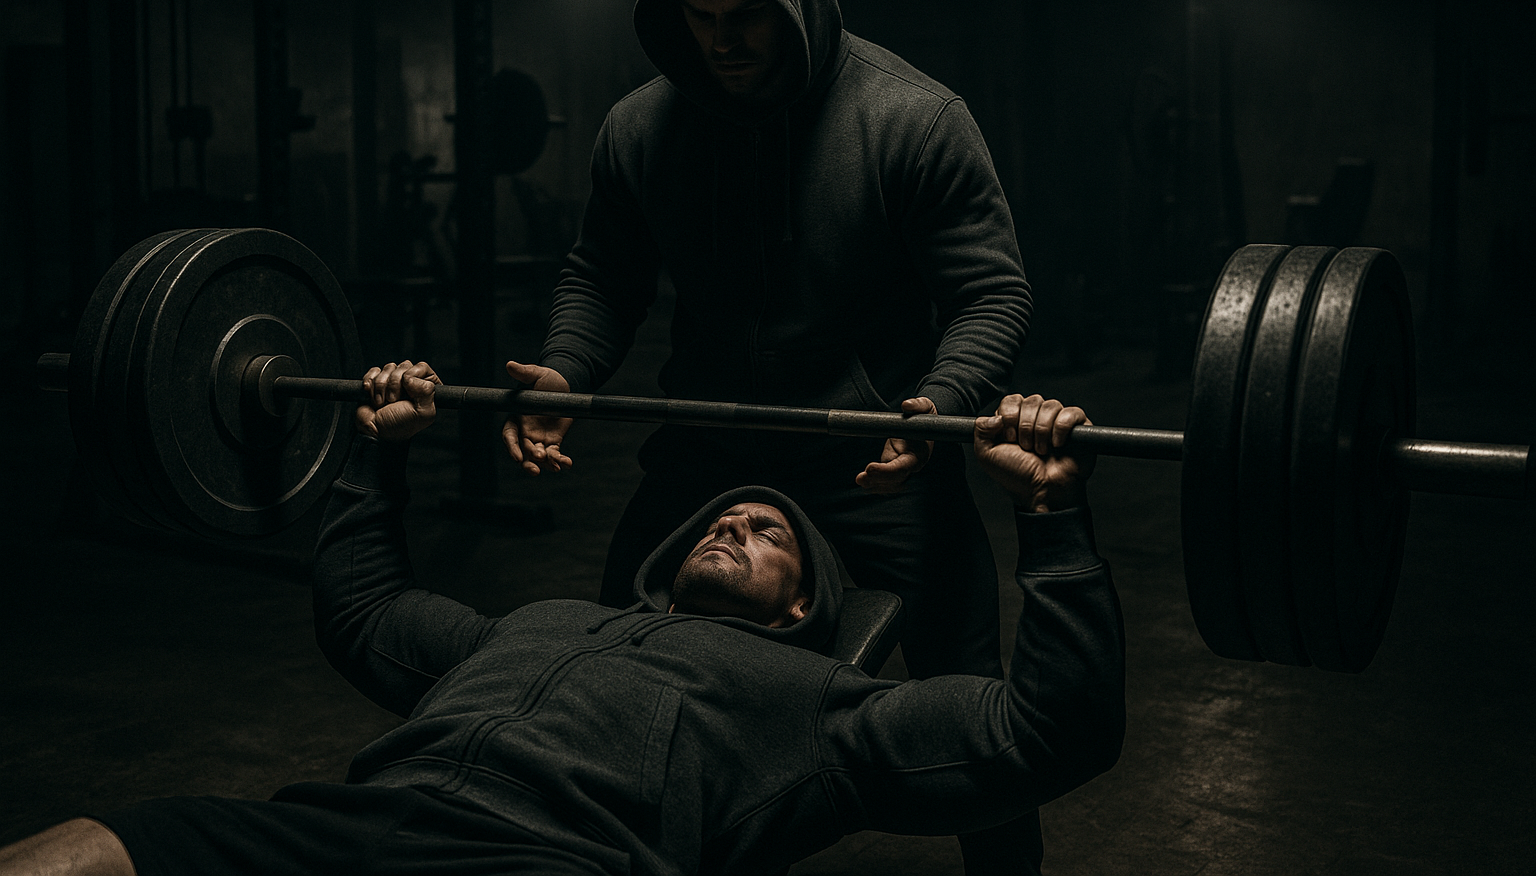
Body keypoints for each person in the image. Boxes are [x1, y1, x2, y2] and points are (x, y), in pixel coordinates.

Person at [0, 361, 1123, 876]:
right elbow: (364, 613)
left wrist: (1051, 514)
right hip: (355, 822)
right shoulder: (532, 623)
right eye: (724, 517)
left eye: (771, 533)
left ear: (802, 608)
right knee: (83, 848)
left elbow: (1050, 731)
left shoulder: (823, 706)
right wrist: (377, 456)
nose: (735, 524)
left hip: (551, 860)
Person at [502, 0, 1033, 866]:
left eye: (744, 16)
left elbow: (992, 293)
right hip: (711, 445)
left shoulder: (914, 119)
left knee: (969, 691)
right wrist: (567, 372)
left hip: (874, 452)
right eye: (699, 19)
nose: (722, 41)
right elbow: (601, 275)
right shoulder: (640, 129)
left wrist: (941, 403)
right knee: (608, 644)